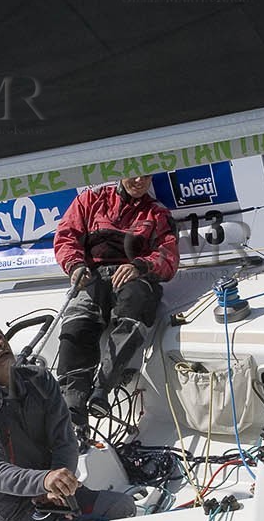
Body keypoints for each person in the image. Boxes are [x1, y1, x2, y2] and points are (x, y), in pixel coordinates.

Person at [0, 321, 136, 521]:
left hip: (56, 490)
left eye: (0, 336)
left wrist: (56, 486)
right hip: (17, 509)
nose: (0, 342)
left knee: (122, 507)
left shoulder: (39, 379)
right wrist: (43, 482)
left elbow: (64, 439)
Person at [52, 175, 179, 428]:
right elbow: (66, 237)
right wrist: (75, 266)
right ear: (120, 170)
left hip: (134, 278)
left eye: (148, 174)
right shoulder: (90, 200)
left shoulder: (157, 213)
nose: (141, 180)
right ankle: (73, 405)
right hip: (93, 276)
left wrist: (140, 265)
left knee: (136, 307)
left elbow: (169, 256)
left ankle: (103, 388)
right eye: (135, 172)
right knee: (76, 326)